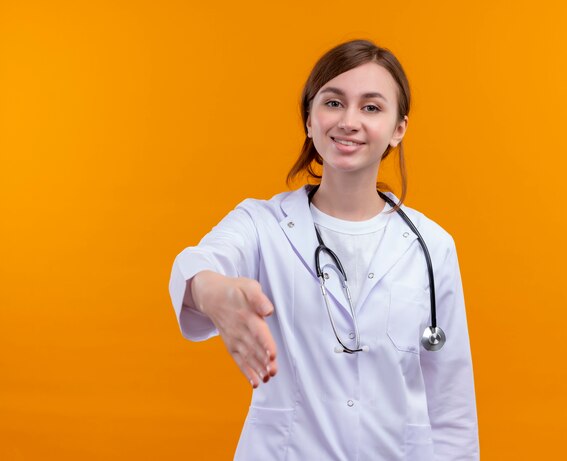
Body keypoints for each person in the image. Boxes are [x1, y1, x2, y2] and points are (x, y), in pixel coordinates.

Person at [169, 39, 479, 460]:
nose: (349, 121)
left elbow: (452, 408)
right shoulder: (262, 224)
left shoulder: (432, 246)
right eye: (333, 103)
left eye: (371, 107)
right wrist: (213, 293)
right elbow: (197, 264)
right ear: (309, 120)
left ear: (399, 128)